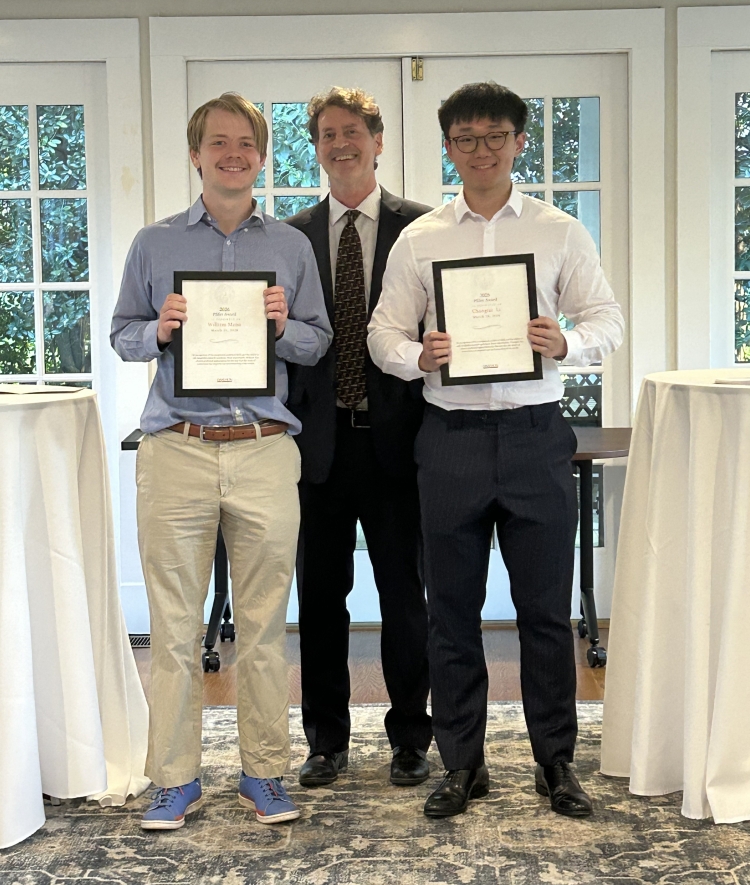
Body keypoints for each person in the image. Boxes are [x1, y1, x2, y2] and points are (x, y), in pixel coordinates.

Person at [368, 82, 624, 819]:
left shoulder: (559, 231)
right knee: (450, 609)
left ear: (518, 141)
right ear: (448, 148)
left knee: (545, 611)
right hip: (447, 438)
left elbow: (607, 319)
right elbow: (383, 336)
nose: (480, 150)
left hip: (537, 435)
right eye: (466, 139)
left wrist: (566, 341)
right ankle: (462, 764)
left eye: (495, 136)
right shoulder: (422, 240)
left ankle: (556, 760)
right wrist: (421, 354)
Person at [111, 92, 332, 830]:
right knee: (174, 626)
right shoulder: (155, 243)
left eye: (246, 143)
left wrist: (282, 326)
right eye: (218, 142)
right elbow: (121, 333)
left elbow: (317, 341)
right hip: (177, 447)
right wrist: (159, 330)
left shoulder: (291, 248)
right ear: (195, 152)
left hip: (266, 447)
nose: (233, 153)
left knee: (266, 626)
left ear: (261, 156)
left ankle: (263, 772)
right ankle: (174, 779)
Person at [284, 87, 433, 788]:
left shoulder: (424, 229)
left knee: (404, 593)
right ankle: (326, 741)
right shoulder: (290, 236)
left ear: (378, 140)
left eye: (352, 132)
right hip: (317, 448)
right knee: (319, 598)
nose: (339, 144)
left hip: (399, 443)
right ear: (315, 147)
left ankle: (410, 734)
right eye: (326, 135)